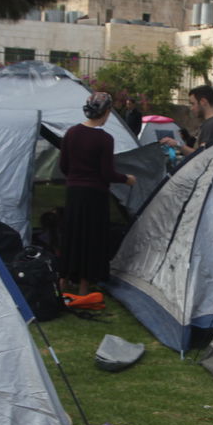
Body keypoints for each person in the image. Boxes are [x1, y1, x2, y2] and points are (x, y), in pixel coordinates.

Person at [59, 91, 135, 297]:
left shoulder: (71, 133)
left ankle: (63, 280)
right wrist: (126, 178)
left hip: (74, 192)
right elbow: (106, 173)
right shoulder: (105, 139)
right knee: (90, 238)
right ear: (107, 111)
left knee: (72, 236)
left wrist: (76, 178)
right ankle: (85, 284)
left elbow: (63, 165)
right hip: (95, 195)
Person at [160, 84, 213, 158]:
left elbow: (200, 156)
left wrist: (177, 144)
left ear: (203, 101)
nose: (191, 108)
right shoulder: (212, 122)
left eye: (193, 104)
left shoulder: (212, 125)